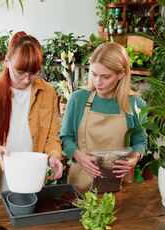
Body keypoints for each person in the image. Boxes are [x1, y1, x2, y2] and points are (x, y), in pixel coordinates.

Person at [0, 31, 64, 199]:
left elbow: (52, 139)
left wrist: (54, 156)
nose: (27, 79)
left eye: (33, 72)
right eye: (20, 72)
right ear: (7, 61)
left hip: (31, 181)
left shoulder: (48, 93)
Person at [60, 42, 147, 192]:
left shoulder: (135, 104)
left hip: (119, 184)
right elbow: (66, 138)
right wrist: (78, 156)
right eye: (94, 74)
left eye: (105, 76)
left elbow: (140, 141)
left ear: (121, 74)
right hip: (81, 182)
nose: (98, 82)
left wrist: (133, 159)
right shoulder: (78, 99)